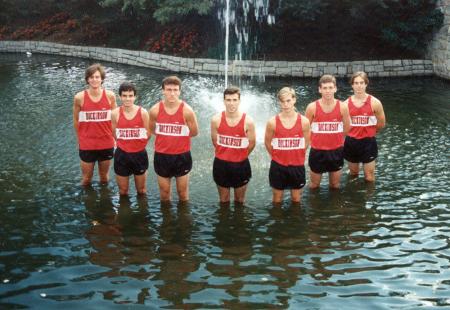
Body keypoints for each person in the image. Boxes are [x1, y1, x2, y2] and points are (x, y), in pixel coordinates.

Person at [148, 76, 199, 202]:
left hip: (181, 156)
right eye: (169, 89)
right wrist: (168, 136)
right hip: (162, 155)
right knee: (164, 195)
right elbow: (152, 129)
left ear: (180, 91)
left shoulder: (187, 111)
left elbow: (194, 132)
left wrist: (177, 137)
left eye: (175, 90)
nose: (172, 93)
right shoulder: (155, 110)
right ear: (163, 91)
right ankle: (167, 221)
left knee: (183, 194)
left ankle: (183, 221)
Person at [210, 86, 256, 205]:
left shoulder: (248, 121)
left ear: (239, 101)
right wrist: (226, 153)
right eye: (228, 100)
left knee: (239, 202)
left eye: (235, 100)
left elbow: (252, 144)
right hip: (221, 165)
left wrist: (239, 156)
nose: (231, 103)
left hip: (241, 165)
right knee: (223, 201)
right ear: (224, 101)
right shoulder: (216, 120)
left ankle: (238, 224)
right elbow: (215, 142)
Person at [264, 87, 311, 204]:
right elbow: (267, 143)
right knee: (277, 199)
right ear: (279, 102)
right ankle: (277, 221)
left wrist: (295, 154)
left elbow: (306, 143)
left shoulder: (304, 121)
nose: (285, 104)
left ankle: (295, 221)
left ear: (294, 100)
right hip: (278, 167)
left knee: (296, 199)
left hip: (297, 166)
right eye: (282, 101)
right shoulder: (272, 122)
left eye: (288, 101)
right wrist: (276, 156)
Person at [73, 63, 116, 186]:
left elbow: (115, 119)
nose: (94, 80)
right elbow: (76, 120)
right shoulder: (79, 97)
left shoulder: (110, 96)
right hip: (87, 144)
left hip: (106, 143)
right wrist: (79, 139)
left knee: (104, 178)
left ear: (102, 79)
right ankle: (88, 202)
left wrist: (116, 139)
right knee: (86, 179)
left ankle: (105, 202)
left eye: (97, 77)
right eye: (91, 77)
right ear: (87, 79)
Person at [305, 74, 350, 189]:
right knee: (314, 186)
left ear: (335, 88)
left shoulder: (342, 107)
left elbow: (347, 128)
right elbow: (305, 129)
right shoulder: (312, 107)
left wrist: (335, 140)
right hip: (317, 152)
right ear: (319, 89)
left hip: (336, 151)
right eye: (324, 88)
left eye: (330, 88)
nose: (328, 91)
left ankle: (334, 207)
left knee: (335, 186)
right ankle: (315, 206)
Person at [343, 71, 386, 182]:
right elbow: (343, 126)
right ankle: (353, 196)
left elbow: (381, 123)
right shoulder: (345, 104)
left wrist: (370, 132)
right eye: (356, 83)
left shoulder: (375, 102)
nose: (359, 86)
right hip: (351, 142)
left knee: (369, 177)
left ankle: (369, 198)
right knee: (353, 173)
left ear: (366, 84)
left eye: (361, 83)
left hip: (368, 142)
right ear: (352, 85)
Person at [111, 82, 150, 196]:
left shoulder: (143, 113)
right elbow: (114, 134)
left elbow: (148, 134)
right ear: (120, 97)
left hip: (139, 155)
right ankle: (123, 212)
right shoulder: (114, 113)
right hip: (121, 155)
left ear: (135, 97)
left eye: (130, 95)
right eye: (124, 96)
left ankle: (142, 213)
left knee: (141, 191)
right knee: (123, 192)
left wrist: (136, 144)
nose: (127, 99)